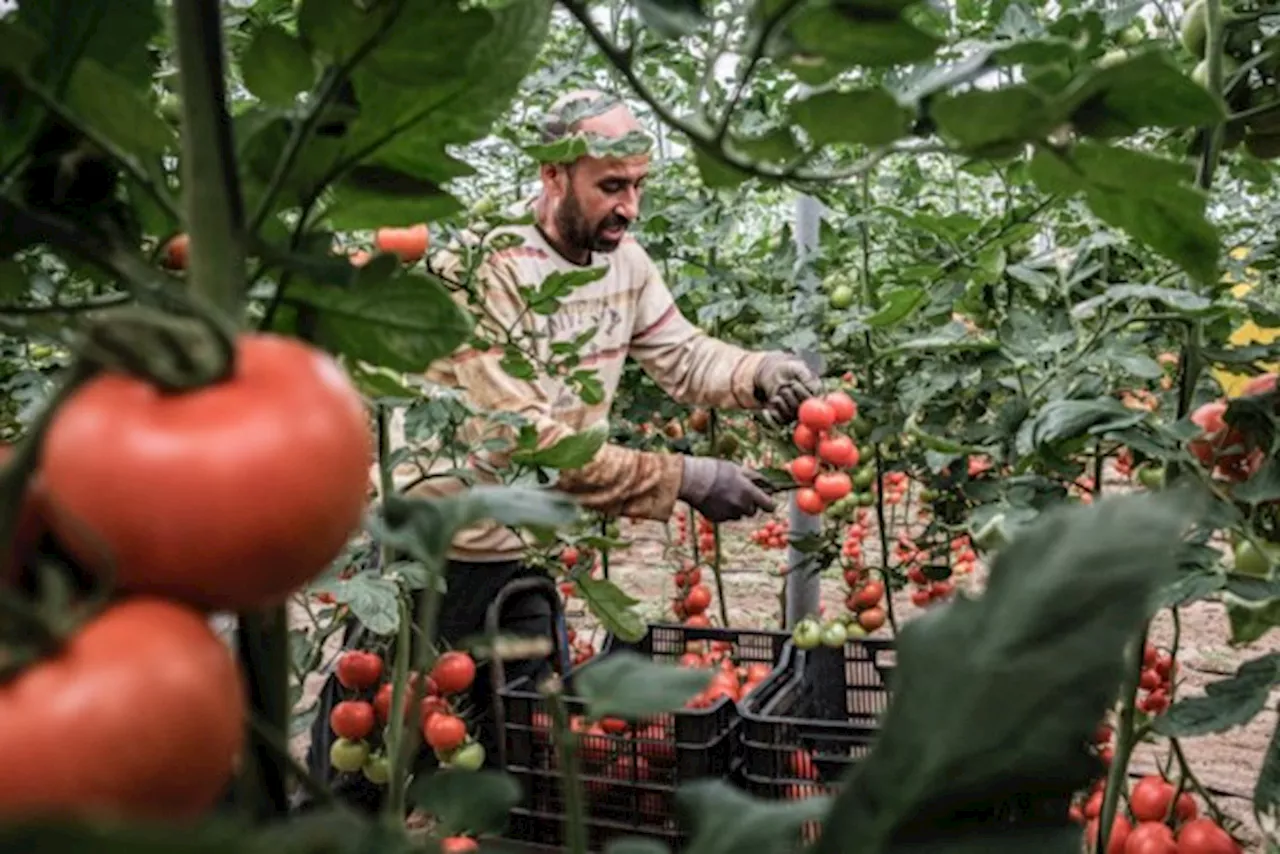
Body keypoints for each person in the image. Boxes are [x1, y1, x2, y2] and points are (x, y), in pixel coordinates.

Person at [298, 89, 822, 813]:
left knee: (530, 751)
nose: (629, 207)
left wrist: (758, 373)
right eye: (611, 187)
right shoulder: (489, 269)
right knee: (375, 746)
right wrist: (686, 477)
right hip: (439, 551)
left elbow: (683, 354)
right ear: (553, 175)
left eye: (637, 186)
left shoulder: (626, 262)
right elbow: (530, 447)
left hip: (528, 550)